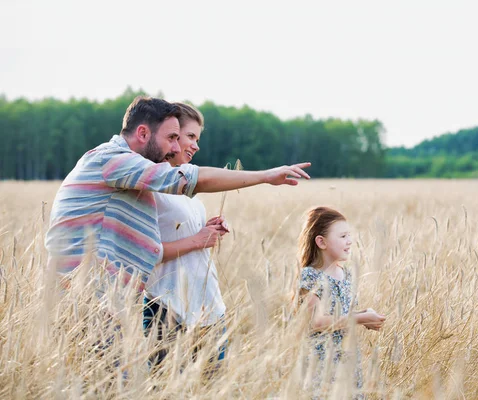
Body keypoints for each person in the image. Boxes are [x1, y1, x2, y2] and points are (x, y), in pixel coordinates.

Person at [45, 96, 311, 299]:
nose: (175, 147)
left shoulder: (127, 172)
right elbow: (189, 179)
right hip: (85, 296)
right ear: (142, 133)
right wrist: (265, 176)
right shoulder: (113, 160)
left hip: (104, 297)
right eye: (172, 138)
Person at [143, 102, 229, 368]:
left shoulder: (187, 192)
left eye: (197, 139)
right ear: (171, 134)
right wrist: (196, 240)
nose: (196, 145)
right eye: (190, 136)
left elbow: (191, 237)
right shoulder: (147, 185)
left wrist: (208, 229)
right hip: (168, 309)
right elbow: (144, 253)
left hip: (210, 308)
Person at [297, 206, 386, 399]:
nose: (350, 241)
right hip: (322, 363)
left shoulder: (345, 274)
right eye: (343, 236)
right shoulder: (311, 276)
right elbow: (316, 322)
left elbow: (344, 313)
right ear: (321, 242)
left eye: (349, 235)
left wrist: (365, 316)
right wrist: (361, 317)